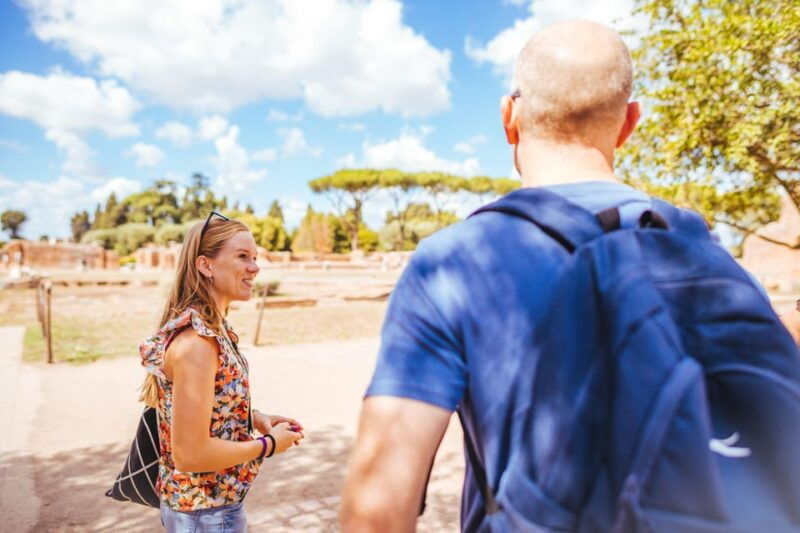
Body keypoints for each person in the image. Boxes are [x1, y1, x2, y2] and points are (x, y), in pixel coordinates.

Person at [341, 19, 800, 531]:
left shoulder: (454, 261)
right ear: (629, 123)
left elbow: (378, 511)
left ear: (508, 117)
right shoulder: (704, 249)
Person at [139, 212, 304, 532]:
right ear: (206, 265)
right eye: (242, 256)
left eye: (255, 257)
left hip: (211, 510)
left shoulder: (212, 330)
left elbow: (205, 405)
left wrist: (255, 418)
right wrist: (269, 444)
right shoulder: (197, 344)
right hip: (205, 514)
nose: (254, 267)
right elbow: (191, 453)